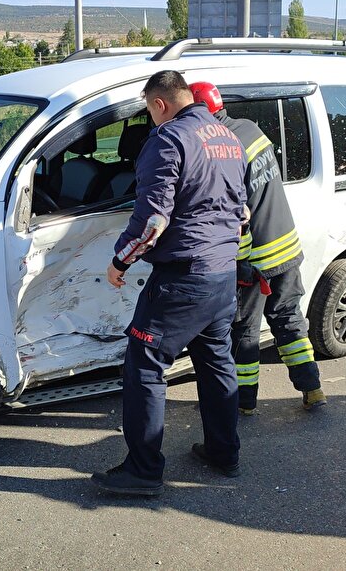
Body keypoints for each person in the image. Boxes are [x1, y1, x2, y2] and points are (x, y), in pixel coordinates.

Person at [92, 70, 248, 497]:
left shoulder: (168, 140)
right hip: (221, 274)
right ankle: (224, 452)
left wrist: (119, 261)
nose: (151, 118)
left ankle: (142, 472)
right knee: (216, 362)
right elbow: (241, 209)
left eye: (149, 110)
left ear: (159, 103)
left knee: (144, 365)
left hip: (182, 278)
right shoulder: (226, 136)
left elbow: (153, 220)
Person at [188, 81, 327, 417]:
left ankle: (244, 402)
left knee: (244, 331)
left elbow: (239, 216)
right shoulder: (249, 128)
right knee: (289, 321)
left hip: (256, 257)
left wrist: (239, 264)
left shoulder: (222, 147)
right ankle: (313, 389)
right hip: (286, 246)